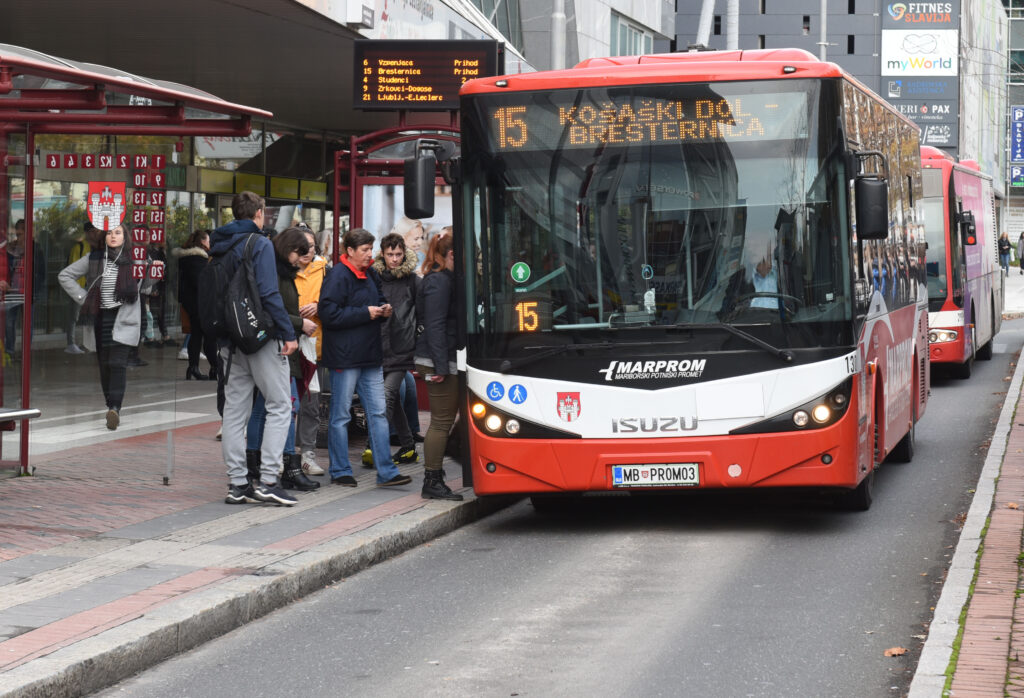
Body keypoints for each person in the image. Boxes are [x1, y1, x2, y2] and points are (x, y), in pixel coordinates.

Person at [211, 191, 298, 507]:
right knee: (280, 405)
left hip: (229, 339)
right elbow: (268, 293)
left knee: (234, 412)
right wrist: (288, 333)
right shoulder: (259, 244)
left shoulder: (219, 245)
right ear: (259, 213)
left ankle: (238, 484)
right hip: (259, 337)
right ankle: (270, 480)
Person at [318, 227, 413, 488]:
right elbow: (328, 314)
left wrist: (384, 309)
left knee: (379, 413)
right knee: (341, 416)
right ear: (349, 251)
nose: (370, 254)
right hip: (344, 357)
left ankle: (386, 471)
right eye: (365, 250)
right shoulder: (338, 275)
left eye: (371, 249)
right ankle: (340, 470)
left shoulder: (370, 273)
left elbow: (378, 298)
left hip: (370, 356)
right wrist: (365, 313)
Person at [244, 227, 320, 492]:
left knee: (264, 407)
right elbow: (270, 309)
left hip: (280, 344)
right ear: (288, 249)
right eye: (299, 252)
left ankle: (255, 463)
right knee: (286, 406)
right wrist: (300, 324)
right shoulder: (276, 272)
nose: (301, 258)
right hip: (278, 345)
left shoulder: (282, 271)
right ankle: (285, 468)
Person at [58, 223, 141, 431]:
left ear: (125, 236)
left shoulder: (134, 259)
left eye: (118, 233)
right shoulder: (94, 258)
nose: (113, 236)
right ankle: (110, 406)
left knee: (117, 363)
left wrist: (154, 272)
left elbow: (147, 285)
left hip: (125, 319)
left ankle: (115, 408)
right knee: (105, 365)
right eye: (109, 233)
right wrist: (84, 298)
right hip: (101, 318)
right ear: (104, 236)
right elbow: (64, 275)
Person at [414, 231, 463, 501]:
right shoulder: (438, 281)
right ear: (452, 254)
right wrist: (441, 367)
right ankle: (432, 480)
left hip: (444, 359)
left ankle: (436, 474)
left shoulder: (444, 279)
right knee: (441, 422)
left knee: (445, 420)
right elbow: (434, 325)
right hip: (438, 361)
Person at [369, 232, 420, 467]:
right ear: (383, 254)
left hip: (402, 348)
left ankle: (374, 447)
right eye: (390, 254)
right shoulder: (374, 277)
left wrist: (416, 337)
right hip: (379, 345)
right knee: (394, 400)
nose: (395, 259)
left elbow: (422, 313)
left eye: (399, 254)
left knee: (387, 396)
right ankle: (408, 446)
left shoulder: (412, 280)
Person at [294, 229, 328, 476]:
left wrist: (319, 307)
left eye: (312, 246)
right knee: (284, 405)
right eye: (302, 246)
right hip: (286, 345)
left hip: (314, 348)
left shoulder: (326, 271)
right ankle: (283, 455)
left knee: (311, 403)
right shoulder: (283, 271)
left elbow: (336, 303)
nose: (307, 251)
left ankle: (307, 454)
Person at [176, 230, 217, 381]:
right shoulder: (198, 259)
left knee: (196, 335)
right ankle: (215, 368)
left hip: (191, 303)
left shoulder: (186, 258)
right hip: (200, 303)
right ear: (203, 242)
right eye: (208, 240)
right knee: (209, 336)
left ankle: (193, 368)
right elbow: (202, 284)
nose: (210, 243)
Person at [64, 222, 94, 354]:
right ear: (87, 233)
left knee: (90, 317)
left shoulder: (96, 248)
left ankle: (87, 343)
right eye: (93, 232)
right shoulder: (79, 247)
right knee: (74, 316)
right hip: (80, 288)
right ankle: (71, 343)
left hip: (91, 287)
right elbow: (71, 271)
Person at [141, 239, 171, 347]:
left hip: (161, 285)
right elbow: (150, 271)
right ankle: (150, 336)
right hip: (153, 286)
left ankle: (161, 335)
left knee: (158, 311)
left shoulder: (162, 252)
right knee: (150, 312)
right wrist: (153, 287)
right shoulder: (151, 252)